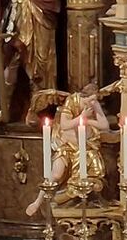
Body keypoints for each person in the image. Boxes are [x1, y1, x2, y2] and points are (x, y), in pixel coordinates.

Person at [26, 86, 111, 216]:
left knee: (93, 177)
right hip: (66, 145)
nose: (92, 103)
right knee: (56, 174)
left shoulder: (94, 103)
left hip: (85, 147)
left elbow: (104, 126)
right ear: (83, 97)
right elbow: (65, 125)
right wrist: (82, 117)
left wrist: (88, 121)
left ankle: (80, 200)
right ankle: (37, 202)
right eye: (90, 100)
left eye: (95, 100)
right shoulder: (72, 101)